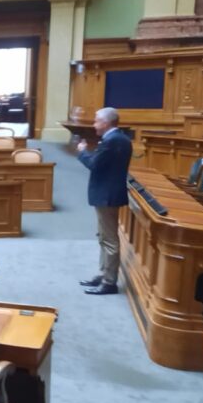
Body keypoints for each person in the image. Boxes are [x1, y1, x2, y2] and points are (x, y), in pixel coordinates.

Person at [77, 107, 132, 296]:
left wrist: (83, 152)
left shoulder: (113, 140)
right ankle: (104, 274)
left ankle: (109, 282)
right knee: (103, 236)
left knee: (109, 239)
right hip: (107, 194)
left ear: (106, 123)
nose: (94, 125)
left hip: (107, 195)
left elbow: (94, 164)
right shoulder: (116, 139)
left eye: (96, 121)